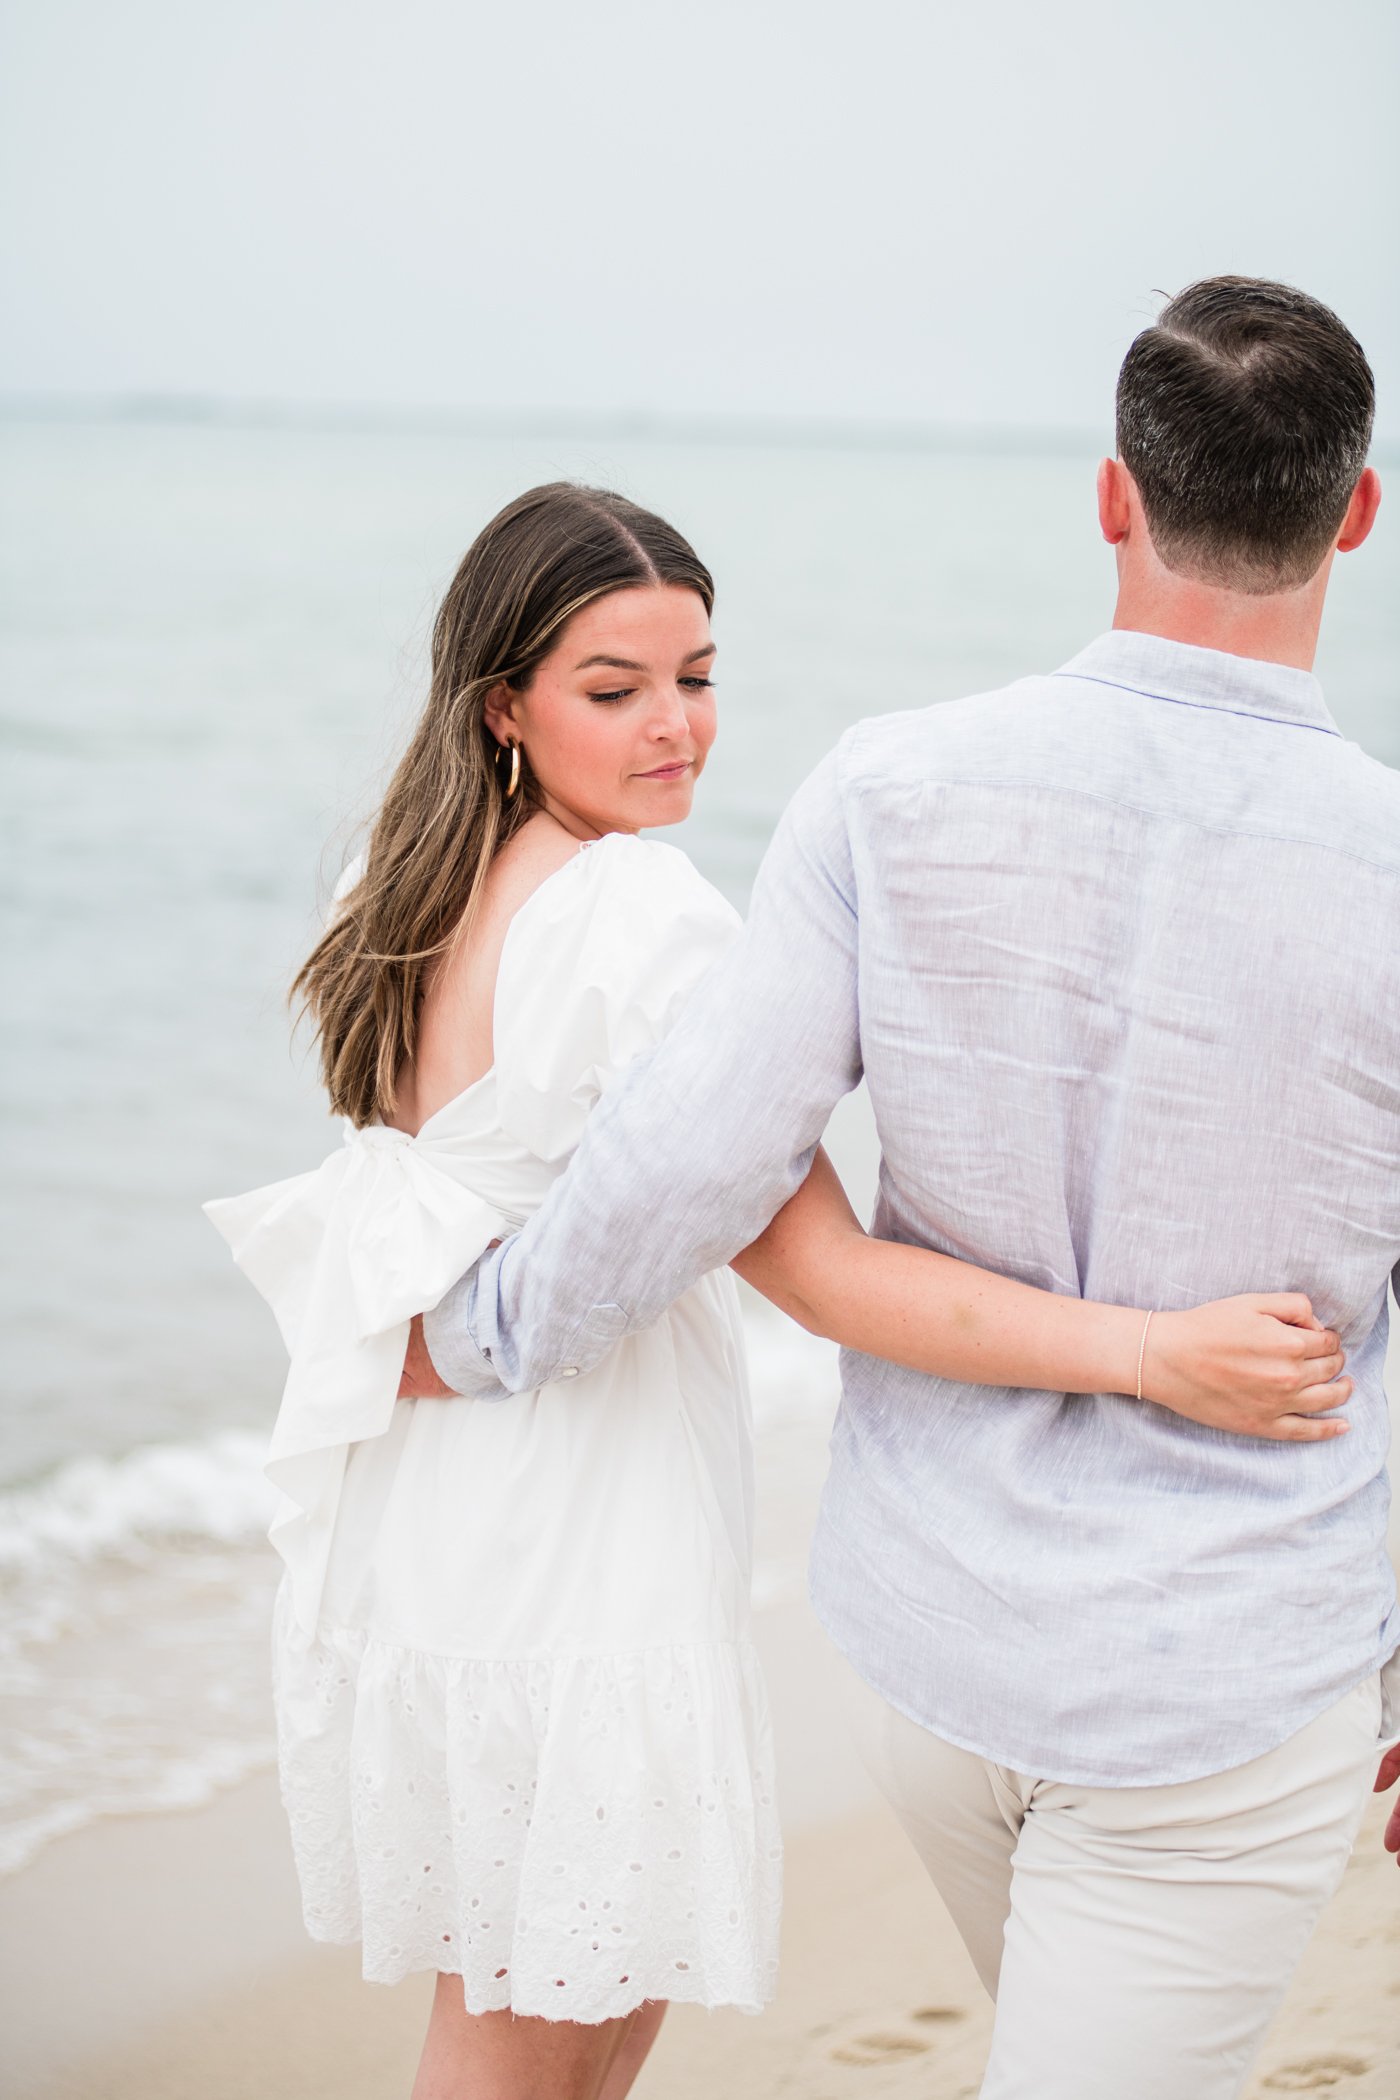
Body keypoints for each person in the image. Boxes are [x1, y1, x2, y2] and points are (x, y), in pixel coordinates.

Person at [208, 481, 1346, 2100]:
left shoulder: (399, 891)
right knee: (535, 2039)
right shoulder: (635, 916)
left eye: (699, 677)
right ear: (506, 707)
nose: (678, 729)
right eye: (616, 692)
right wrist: (1151, 1350)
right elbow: (818, 1271)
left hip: (438, 1514)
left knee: (553, 2015)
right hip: (578, 1534)